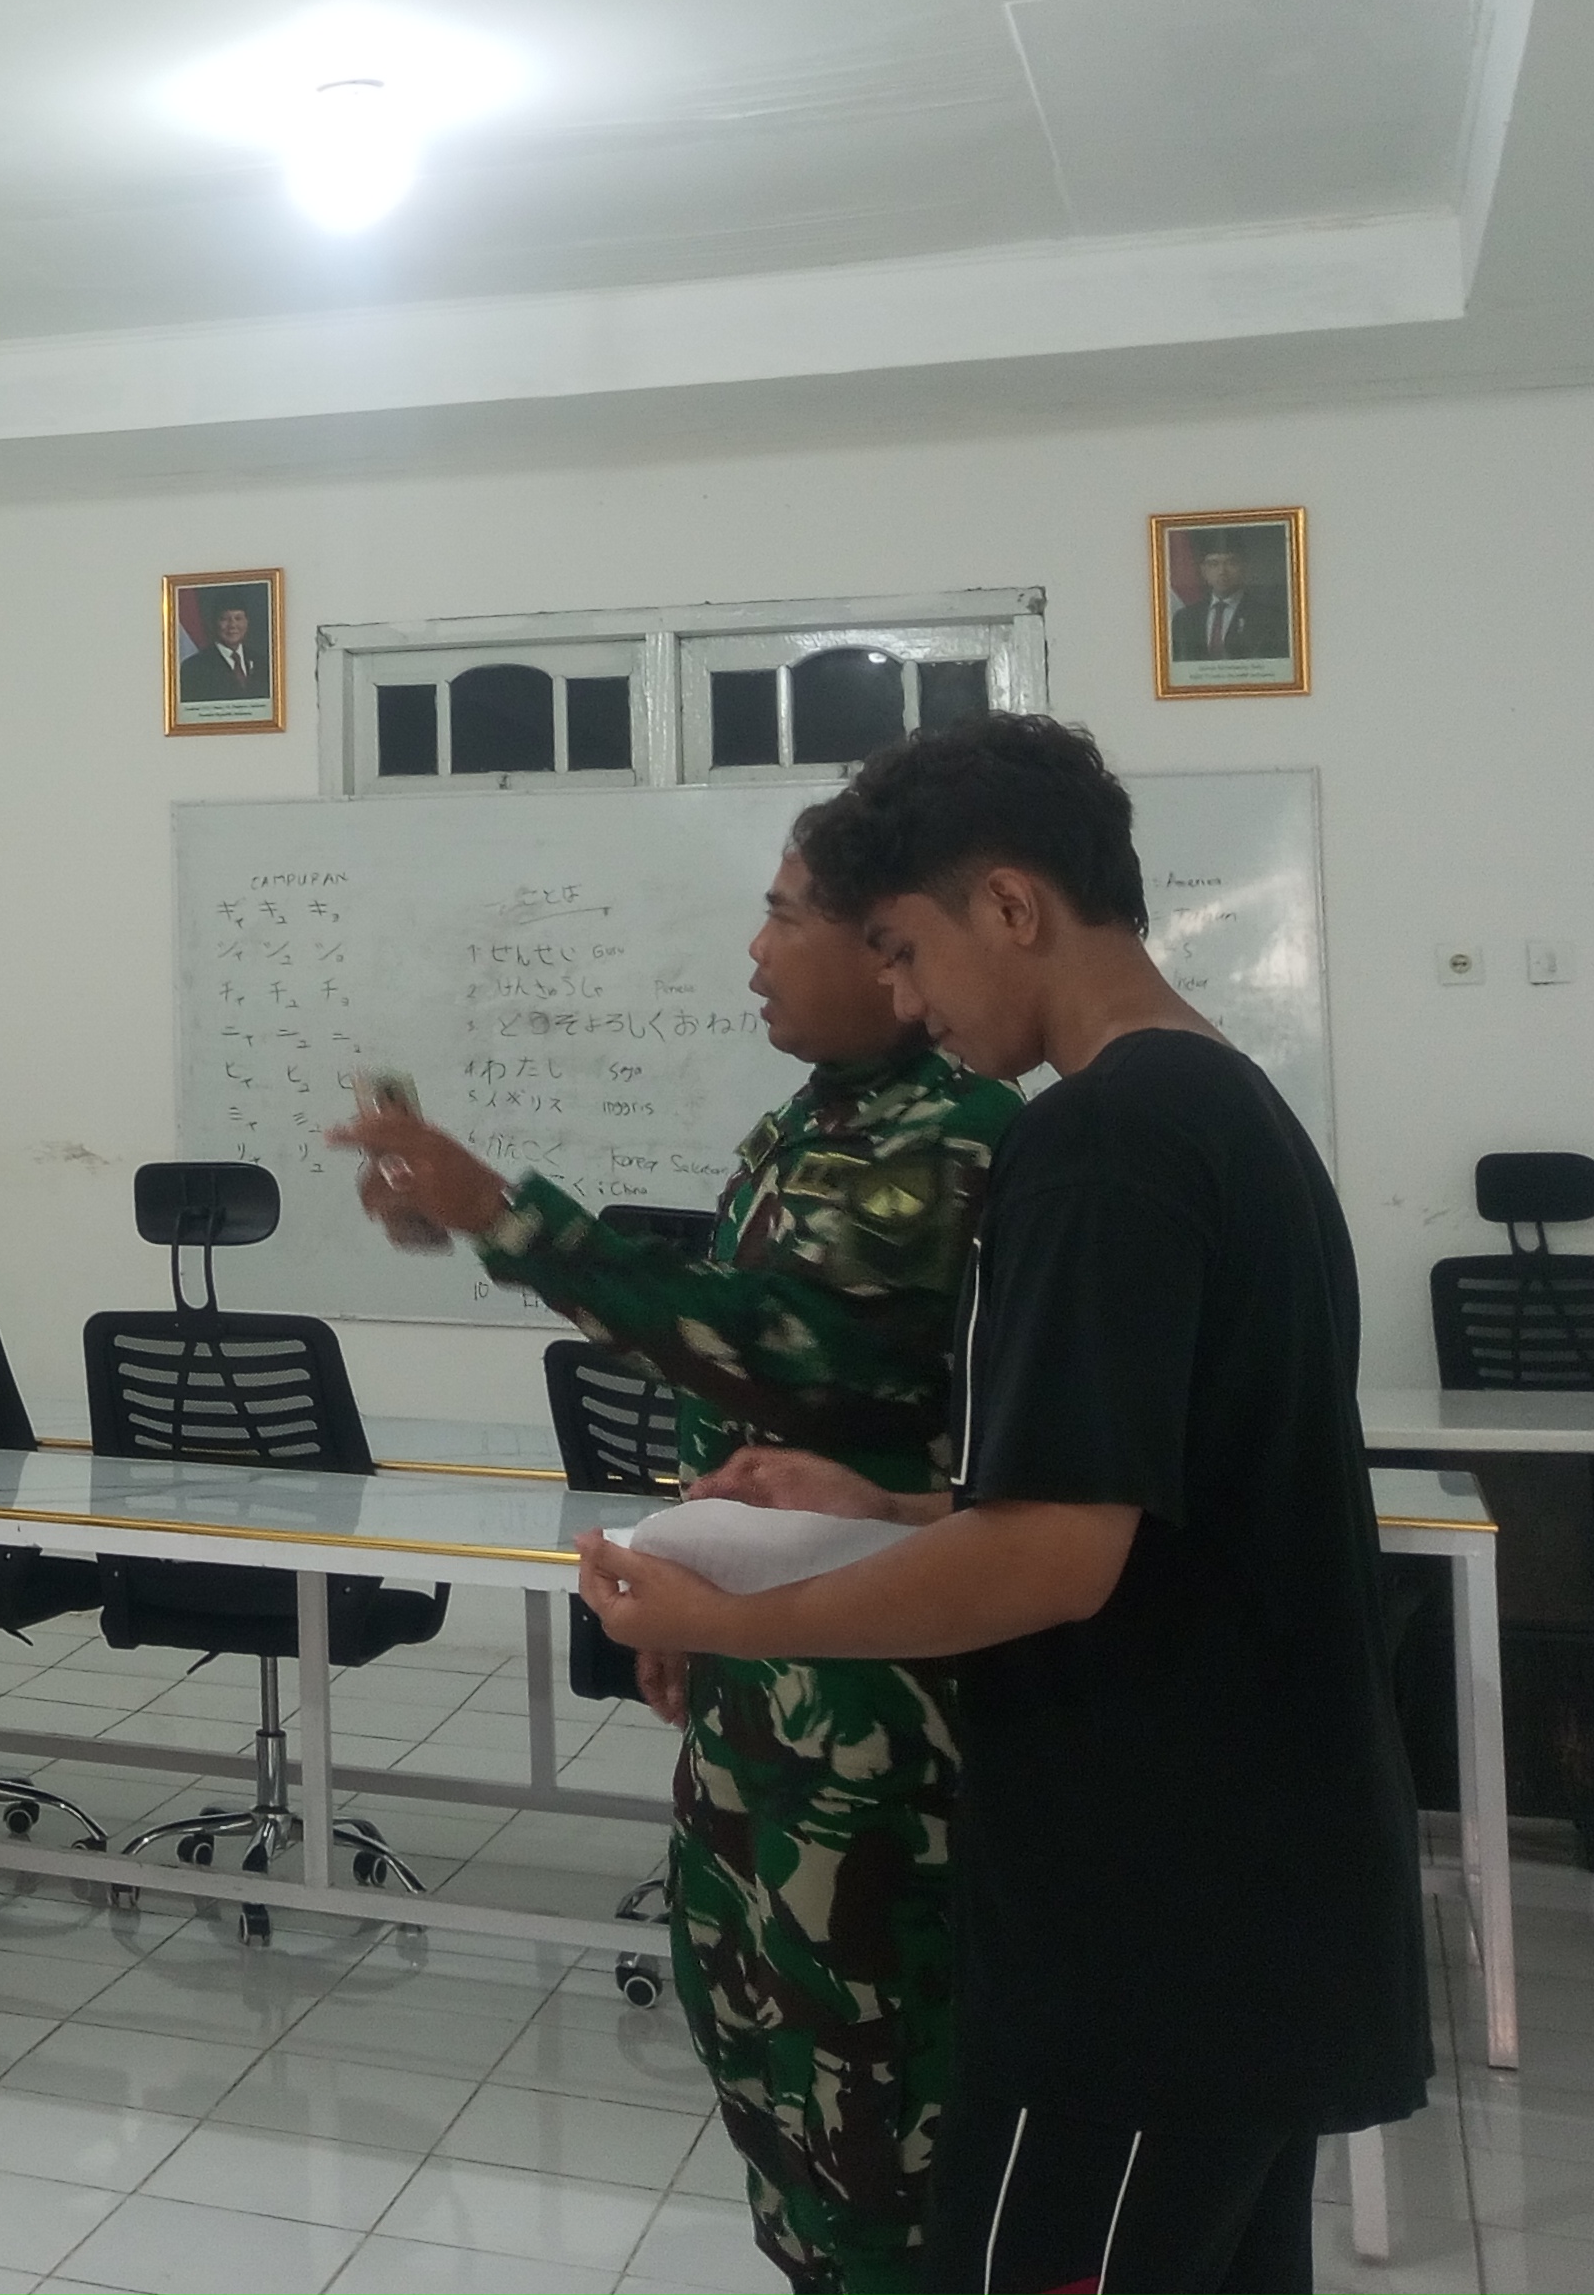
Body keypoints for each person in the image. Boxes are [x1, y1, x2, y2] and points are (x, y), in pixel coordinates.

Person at [576, 716, 1428, 2295]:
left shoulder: (1098, 1143)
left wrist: (729, 1614)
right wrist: (887, 1506)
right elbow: (1135, 1509)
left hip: (1149, 1931)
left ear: (1015, 907)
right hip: (1248, 1901)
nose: (904, 998)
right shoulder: (1218, 1107)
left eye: (906, 949)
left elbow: (1049, 1563)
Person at [338, 819, 1020, 2295]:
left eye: (786, 919)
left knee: (871, 2078)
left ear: (889, 951)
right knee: (756, 2030)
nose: (755, 954)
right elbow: (748, 1401)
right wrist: (703, 1581)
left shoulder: (950, 1132)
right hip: (764, 1657)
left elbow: (786, 1349)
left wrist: (499, 1213)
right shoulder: (812, 1121)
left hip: (875, 1691)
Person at [1168, 538, 1289, 665]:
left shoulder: (1269, 617)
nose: (1222, 572)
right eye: (1214, 564)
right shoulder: (1184, 618)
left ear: (1244, 567)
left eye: (1231, 563)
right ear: (1203, 571)